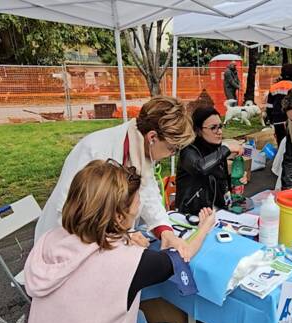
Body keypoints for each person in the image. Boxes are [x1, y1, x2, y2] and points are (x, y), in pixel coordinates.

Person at [25, 160, 215, 323]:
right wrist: (204, 228)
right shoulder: (129, 262)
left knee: (139, 317)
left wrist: (122, 239)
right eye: (136, 200)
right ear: (118, 216)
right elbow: (181, 256)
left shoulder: (49, 239)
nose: (138, 206)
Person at [35, 96, 197, 261]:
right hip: (67, 246)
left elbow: (147, 191)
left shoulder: (142, 148)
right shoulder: (95, 150)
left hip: (104, 243)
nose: (173, 154)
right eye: (172, 149)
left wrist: (165, 231)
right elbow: (70, 212)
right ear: (153, 137)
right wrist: (121, 237)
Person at [175, 106, 245, 215]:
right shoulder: (188, 151)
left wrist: (236, 180)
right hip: (191, 214)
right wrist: (226, 149)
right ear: (198, 131)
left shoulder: (218, 150)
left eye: (220, 126)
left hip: (218, 212)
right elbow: (200, 168)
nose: (219, 132)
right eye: (213, 128)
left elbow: (221, 181)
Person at [265, 64, 292, 145]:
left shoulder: (274, 87)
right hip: (291, 120)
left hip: (277, 120)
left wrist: (270, 119)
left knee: (280, 143)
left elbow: (269, 106)